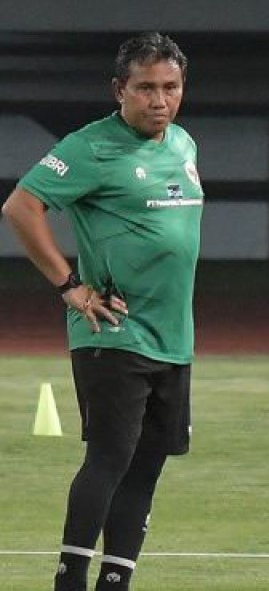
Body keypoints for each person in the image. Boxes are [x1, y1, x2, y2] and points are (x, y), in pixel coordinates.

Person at [2, 33, 201, 591]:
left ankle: (116, 582)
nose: (159, 100)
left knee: (148, 464)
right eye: (145, 89)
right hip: (112, 330)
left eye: (171, 87)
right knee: (111, 458)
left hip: (172, 336)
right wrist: (70, 287)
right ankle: (70, 580)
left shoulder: (184, 144)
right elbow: (21, 205)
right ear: (120, 90)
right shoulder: (90, 147)